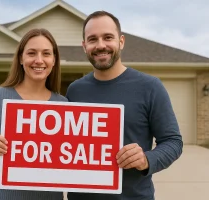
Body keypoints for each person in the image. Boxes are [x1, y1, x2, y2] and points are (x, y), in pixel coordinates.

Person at [66, 11, 183, 200]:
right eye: (93, 39)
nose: (101, 45)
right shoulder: (75, 91)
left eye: (108, 37)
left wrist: (146, 159)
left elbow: (173, 142)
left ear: (121, 41)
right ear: (84, 46)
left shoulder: (150, 87)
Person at [0, 28, 67, 200]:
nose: (39, 60)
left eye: (46, 54)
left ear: (54, 60)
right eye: (31, 53)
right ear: (21, 58)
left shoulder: (64, 105)